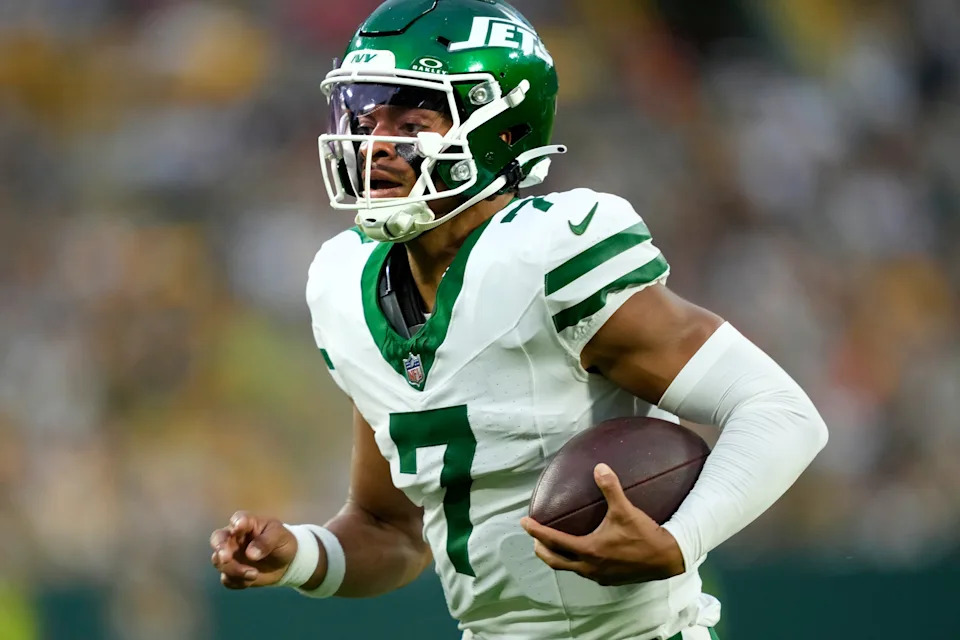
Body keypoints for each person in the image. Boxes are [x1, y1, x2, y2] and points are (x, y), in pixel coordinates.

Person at [209, 1, 829, 638]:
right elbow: (390, 529)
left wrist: (681, 539)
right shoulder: (343, 285)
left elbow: (778, 411)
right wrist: (297, 557)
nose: (376, 145)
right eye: (366, 120)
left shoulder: (548, 255)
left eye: (412, 122)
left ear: (503, 132)